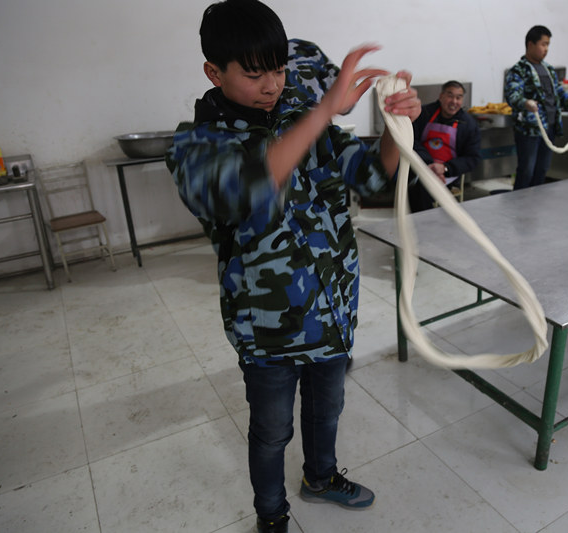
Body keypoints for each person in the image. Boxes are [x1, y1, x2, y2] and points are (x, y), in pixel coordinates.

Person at [164, 2, 421, 533]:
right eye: (254, 74)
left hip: (332, 313)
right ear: (214, 72)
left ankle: (320, 479)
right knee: (272, 431)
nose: (272, 86)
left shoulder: (304, 116)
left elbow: (372, 177)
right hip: (269, 333)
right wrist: (323, 111)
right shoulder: (198, 144)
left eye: (279, 70)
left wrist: (397, 126)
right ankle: (271, 514)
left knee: (327, 410)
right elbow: (251, 188)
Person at [505, 25, 568, 190]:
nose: (546, 49)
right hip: (530, 130)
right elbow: (512, 95)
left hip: (550, 128)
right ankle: (519, 203)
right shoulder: (519, 70)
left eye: (548, 45)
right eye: (543, 44)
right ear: (530, 44)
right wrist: (526, 103)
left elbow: (561, 95)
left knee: (542, 170)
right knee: (526, 171)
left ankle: (535, 202)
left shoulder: (549, 69)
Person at [408, 80, 482, 212]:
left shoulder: (469, 124)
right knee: (413, 185)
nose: (454, 101)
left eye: (458, 97)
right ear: (441, 96)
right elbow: (412, 141)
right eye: (450, 96)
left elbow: (473, 158)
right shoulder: (424, 113)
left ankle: (425, 220)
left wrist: (445, 168)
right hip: (421, 165)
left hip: (449, 173)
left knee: (425, 188)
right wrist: (428, 164)